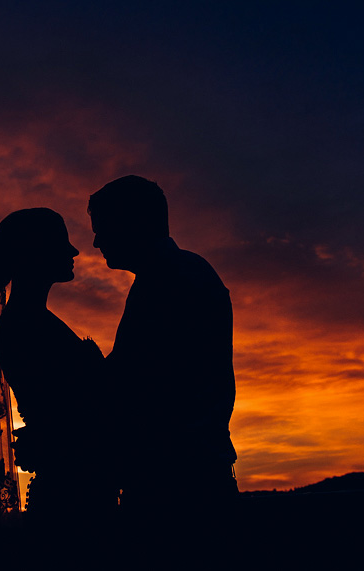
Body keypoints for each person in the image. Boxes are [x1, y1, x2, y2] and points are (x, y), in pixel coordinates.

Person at [88, 176, 238, 517]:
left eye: (103, 228)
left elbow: (144, 380)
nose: (96, 242)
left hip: (180, 484)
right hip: (185, 472)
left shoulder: (171, 280)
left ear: (133, 223)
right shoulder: (173, 274)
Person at [0, 208, 117, 519]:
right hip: (73, 496)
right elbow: (72, 412)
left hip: (79, 485)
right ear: (35, 253)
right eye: (61, 243)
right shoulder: (25, 325)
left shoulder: (32, 320)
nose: (73, 251)